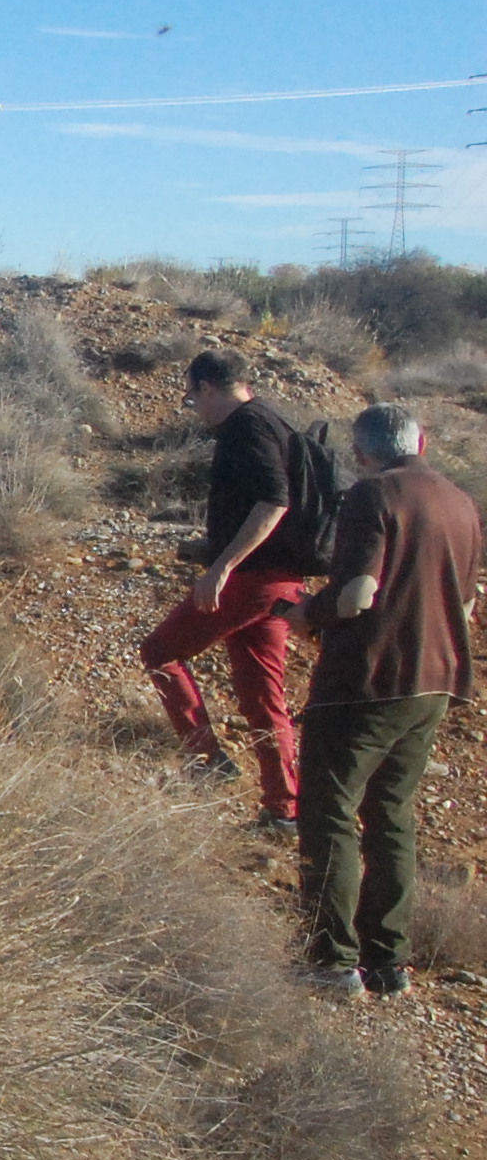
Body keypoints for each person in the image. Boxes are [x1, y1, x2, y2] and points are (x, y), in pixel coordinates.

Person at [285, 403, 482, 997]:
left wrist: (306, 614)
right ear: (420, 441)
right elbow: (468, 606)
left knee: (329, 813)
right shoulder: (461, 503)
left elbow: (357, 595)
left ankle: (331, 961)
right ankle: (388, 962)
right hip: (436, 682)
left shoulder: (372, 496)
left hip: (365, 683)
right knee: (392, 815)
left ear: (362, 451)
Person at [139, 349, 310, 829]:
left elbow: (274, 500)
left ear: (207, 387)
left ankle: (206, 761)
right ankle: (283, 807)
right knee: (261, 693)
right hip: (282, 581)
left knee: (159, 651)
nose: (195, 407)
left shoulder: (246, 426)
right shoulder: (274, 420)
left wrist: (223, 567)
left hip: (251, 580)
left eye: (192, 397)